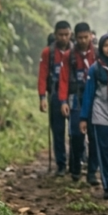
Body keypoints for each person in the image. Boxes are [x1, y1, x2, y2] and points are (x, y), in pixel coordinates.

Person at [80, 33, 108, 200]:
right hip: (100, 112)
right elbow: (88, 94)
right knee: (105, 150)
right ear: (101, 48)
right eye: (106, 46)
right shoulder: (95, 68)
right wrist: (84, 118)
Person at [60, 22, 97, 183]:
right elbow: (63, 79)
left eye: (85, 37)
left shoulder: (97, 53)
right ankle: (75, 168)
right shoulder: (69, 55)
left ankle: (92, 172)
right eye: (80, 37)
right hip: (75, 97)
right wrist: (63, 101)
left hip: (95, 98)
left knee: (94, 135)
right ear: (75, 37)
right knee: (76, 134)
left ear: (90, 36)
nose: (83, 40)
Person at [39, 21, 73, 176]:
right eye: (60, 35)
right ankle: (61, 164)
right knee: (58, 131)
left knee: (74, 131)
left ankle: (75, 163)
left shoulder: (75, 51)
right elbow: (42, 75)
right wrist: (42, 97)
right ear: (55, 35)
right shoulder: (48, 52)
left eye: (66, 34)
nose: (64, 38)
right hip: (55, 94)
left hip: (72, 95)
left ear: (70, 34)